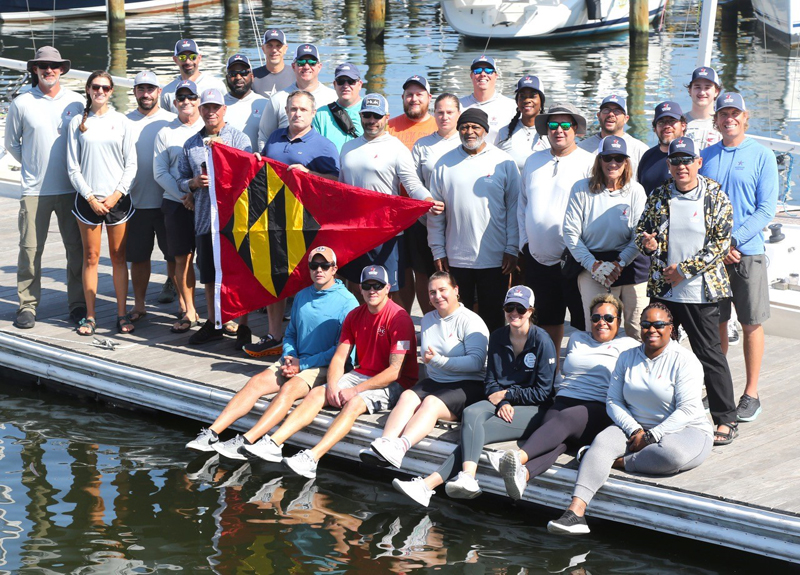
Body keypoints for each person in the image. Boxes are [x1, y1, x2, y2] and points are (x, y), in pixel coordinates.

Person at [547, 302, 713, 535]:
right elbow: (613, 401)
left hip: (685, 429)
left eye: (659, 324)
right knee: (602, 443)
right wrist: (635, 430)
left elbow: (686, 410)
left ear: (671, 328)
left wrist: (653, 436)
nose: (651, 329)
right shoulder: (627, 357)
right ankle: (575, 513)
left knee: (672, 455)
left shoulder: (685, 361)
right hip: (635, 425)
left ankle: (619, 462)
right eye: (646, 324)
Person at [243, 265, 418, 480]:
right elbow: (339, 356)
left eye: (378, 286)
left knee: (354, 403)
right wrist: (334, 385)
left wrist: (355, 390)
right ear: (360, 289)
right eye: (367, 285)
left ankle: (312, 458)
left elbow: (394, 371)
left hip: (396, 383)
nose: (373, 290)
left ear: (388, 288)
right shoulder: (354, 316)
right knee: (317, 392)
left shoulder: (400, 319)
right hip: (362, 373)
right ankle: (274, 442)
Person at [185, 246, 358, 459]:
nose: (319, 270)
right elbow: (291, 333)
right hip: (295, 360)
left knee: (289, 389)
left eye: (325, 266)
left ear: (334, 269)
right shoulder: (303, 295)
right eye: (314, 265)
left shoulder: (348, 302)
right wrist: (288, 356)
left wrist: (301, 365)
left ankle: (246, 440)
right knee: (256, 381)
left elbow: (341, 351)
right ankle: (212, 433)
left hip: (323, 365)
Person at [392, 286, 556, 507]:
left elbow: (543, 392)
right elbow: (490, 381)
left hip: (534, 408)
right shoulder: (498, 336)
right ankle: (466, 478)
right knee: (471, 413)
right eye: (510, 307)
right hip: (502, 401)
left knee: (475, 435)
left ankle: (429, 485)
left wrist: (509, 395)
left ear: (530, 310)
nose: (514, 312)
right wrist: (504, 400)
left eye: (521, 308)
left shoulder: (543, 342)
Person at [635, 136, 738, 445]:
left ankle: (725, 418)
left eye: (686, 160)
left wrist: (683, 270)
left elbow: (721, 243)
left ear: (698, 163)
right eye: (676, 161)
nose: (681, 166)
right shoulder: (659, 194)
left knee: (709, 354)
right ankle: (658, 414)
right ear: (669, 165)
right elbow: (643, 230)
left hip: (699, 290)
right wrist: (647, 242)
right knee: (658, 353)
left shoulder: (716, 195)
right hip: (664, 291)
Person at [497, 294, 638, 501]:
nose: (602, 323)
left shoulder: (628, 346)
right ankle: (524, 475)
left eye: (609, 318)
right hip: (565, 399)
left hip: (597, 406)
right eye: (596, 318)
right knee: (558, 437)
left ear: (619, 322)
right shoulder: (577, 338)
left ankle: (517, 458)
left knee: (565, 420)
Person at [700, 92, 779, 423]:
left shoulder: (762, 155)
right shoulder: (704, 156)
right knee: (714, 324)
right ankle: (718, 390)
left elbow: (766, 209)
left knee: (750, 323)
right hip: (714, 258)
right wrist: (717, 245)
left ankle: (751, 393)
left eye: (735, 112)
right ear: (716, 120)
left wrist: (733, 240)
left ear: (745, 117)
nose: (729, 118)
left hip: (747, 254)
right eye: (723, 113)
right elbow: (699, 205)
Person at [244, 90, 340, 358]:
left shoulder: (323, 145)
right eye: (292, 109)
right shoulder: (275, 137)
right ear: (286, 111)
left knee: (305, 280)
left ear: (312, 113)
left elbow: (335, 184)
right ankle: (274, 336)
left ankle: (305, 338)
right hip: (272, 219)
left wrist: (310, 174)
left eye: (302, 109)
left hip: (305, 222)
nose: (297, 113)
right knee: (273, 278)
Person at [360, 271, 489, 469]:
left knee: (430, 402)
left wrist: (439, 361)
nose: (437, 296)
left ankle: (400, 448)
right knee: (407, 397)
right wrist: (390, 343)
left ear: (456, 291)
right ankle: (384, 444)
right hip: (436, 381)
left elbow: (476, 363)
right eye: (432, 292)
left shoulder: (471, 321)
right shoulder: (428, 319)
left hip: (468, 385)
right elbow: (409, 341)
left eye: (442, 290)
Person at [5, 46, 85, 330]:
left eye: (53, 66)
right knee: (29, 250)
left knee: (75, 250)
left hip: (71, 189)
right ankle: (27, 305)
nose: (48, 70)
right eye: (42, 66)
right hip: (34, 190)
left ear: (62, 69)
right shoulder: (22, 103)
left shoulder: (76, 102)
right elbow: (12, 143)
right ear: (35, 70)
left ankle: (77, 305)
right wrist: (32, 166)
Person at [338, 94, 442, 297]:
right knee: (357, 287)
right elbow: (341, 188)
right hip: (354, 231)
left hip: (387, 233)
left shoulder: (397, 148)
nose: (371, 121)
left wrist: (427, 200)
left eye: (376, 116)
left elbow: (412, 184)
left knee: (387, 290)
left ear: (386, 117)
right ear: (360, 116)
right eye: (367, 115)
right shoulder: (347, 147)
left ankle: (390, 328)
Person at [427, 107, 520, 334]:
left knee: (494, 316)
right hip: (456, 257)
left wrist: (512, 248)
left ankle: (493, 363)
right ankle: (461, 362)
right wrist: (438, 250)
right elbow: (435, 213)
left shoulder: (505, 162)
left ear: (485, 131)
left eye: (475, 127)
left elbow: (515, 210)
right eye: (465, 127)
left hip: (495, 257)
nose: (469, 132)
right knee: (458, 316)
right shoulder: (443, 164)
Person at [177, 88, 252, 346]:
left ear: (224, 110)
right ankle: (213, 321)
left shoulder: (239, 140)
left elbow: (249, 177)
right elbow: (180, 180)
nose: (211, 112)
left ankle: (243, 324)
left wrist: (225, 178)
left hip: (235, 222)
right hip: (204, 221)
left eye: (215, 107)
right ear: (200, 110)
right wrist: (194, 183)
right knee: (208, 274)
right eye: (206, 107)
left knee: (238, 274)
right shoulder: (191, 144)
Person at [519, 103, 594, 353]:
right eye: (552, 125)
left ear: (575, 129)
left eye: (565, 125)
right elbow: (522, 204)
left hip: (575, 258)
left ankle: (587, 373)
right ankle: (551, 373)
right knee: (547, 320)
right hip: (537, 256)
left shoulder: (589, 162)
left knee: (584, 321)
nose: (558, 130)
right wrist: (523, 243)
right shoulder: (532, 161)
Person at [67, 71, 137, 335]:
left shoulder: (121, 121)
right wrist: (89, 197)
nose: (100, 92)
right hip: (88, 201)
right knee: (91, 257)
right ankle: (91, 316)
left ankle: (121, 314)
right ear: (88, 89)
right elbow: (73, 167)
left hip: (117, 200)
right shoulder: (78, 122)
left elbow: (131, 164)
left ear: (111, 91)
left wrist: (116, 194)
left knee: (119, 257)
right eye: (95, 87)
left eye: (106, 88)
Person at [563, 136, 648, 338]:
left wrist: (620, 263)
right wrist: (593, 265)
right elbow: (570, 232)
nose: (613, 163)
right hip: (592, 264)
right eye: (607, 157)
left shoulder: (636, 190)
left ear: (626, 162)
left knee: (637, 329)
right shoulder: (580, 188)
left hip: (630, 264)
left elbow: (639, 234)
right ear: (599, 160)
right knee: (597, 329)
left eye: (619, 158)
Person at [125, 71, 177, 324]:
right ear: (134, 92)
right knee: (139, 257)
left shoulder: (172, 120)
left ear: (159, 92)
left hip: (169, 200)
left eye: (150, 89)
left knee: (175, 256)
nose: (146, 94)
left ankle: (185, 304)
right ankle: (139, 304)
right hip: (136, 202)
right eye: (141, 89)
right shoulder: (123, 122)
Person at [154, 80, 204, 333]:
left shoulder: (209, 127)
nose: (186, 102)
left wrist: (195, 196)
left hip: (206, 206)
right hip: (176, 203)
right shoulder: (165, 132)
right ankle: (188, 309)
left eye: (191, 97)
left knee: (211, 259)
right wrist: (186, 194)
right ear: (174, 103)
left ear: (198, 100)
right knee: (181, 258)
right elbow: (160, 173)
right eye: (181, 98)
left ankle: (220, 311)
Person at [410, 93, 462, 314]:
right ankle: (428, 318)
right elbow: (412, 180)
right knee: (424, 273)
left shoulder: (466, 141)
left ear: (458, 114)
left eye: (450, 112)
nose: (444, 117)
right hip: (427, 220)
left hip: (459, 222)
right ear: (433, 114)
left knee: (455, 272)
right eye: (439, 112)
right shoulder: (423, 145)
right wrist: (426, 198)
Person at [257, 44, 337, 149]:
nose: (307, 67)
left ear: (319, 67)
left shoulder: (333, 97)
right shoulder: (278, 99)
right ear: (293, 67)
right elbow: (264, 137)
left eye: (312, 62)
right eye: (301, 62)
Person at [577, 95, 648, 179]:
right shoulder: (582, 148)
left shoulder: (641, 150)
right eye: (606, 110)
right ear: (598, 116)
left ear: (626, 118)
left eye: (617, 111)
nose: (611, 114)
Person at [459, 55, 517, 144]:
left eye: (488, 71)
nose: (483, 74)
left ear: (496, 75)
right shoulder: (459, 105)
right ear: (471, 76)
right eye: (477, 71)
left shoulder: (511, 106)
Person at [497, 75, 550, 170]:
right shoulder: (504, 132)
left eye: (532, 96)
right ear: (517, 101)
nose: (527, 100)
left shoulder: (551, 132)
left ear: (541, 101)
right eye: (522, 96)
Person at [160, 39, 225, 114]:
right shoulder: (167, 92)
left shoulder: (217, 86)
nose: (188, 61)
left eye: (193, 57)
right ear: (175, 60)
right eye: (182, 57)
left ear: (199, 58)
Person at [637, 101, 687, 195]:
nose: (667, 126)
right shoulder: (647, 157)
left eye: (672, 121)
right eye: (661, 122)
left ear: (683, 125)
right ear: (655, 128)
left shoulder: (692, 156)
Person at [311, 63, 364, 152]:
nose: (346, 86)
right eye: (341, 81)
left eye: (351, 81)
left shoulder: (371, 111)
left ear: (360, 85)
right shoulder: (321, 114)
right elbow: (314, 148)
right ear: (335, 84)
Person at [222, 54, 269, 151]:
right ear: (227, 78)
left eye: (243, 73)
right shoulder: (218, 105)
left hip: (257, 164)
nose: (238, 77)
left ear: (252, 76)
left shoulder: (265, 104)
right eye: (233, 74)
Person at [388, 75, 437, 150]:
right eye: (409, 95)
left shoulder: (439, 128)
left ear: (429, 98)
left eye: (419, 94)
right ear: (403, 97)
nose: (414, 99)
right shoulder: (388, 127)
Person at [684, 66, 722, 151]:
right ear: (690, 90)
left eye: (707, 87)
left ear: (716, 91)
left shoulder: (724, 122)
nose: (702, 92)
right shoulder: (678, 123)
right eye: (697, 87)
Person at [252, 28, 294, 97]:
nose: (274, 50)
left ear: (285, 48)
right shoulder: (252, 77)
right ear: (263, 49)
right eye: (269, 46)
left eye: (278, 46)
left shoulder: (297, 75)